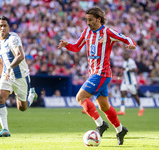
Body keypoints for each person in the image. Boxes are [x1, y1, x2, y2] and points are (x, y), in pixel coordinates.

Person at [58, 6, 136, 145]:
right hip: (94, 73)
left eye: (90, 20)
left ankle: (100, 124)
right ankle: (120, 130)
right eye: (86, 20)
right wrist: (67, 45)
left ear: (98, 19)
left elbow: (126, 38)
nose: (87, 23)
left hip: (102, 73)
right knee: (104, 107)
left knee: (80, 97)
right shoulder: (87, 32)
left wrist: (131, 45)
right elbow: (76, 47)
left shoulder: (107, 32)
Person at [0, 16, 38, 137]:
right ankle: (5, 129)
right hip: (6, 76)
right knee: (0, 98)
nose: (3, 28)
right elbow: (1, 62)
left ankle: (31, 95)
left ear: (8, 27)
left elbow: (20, 55)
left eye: (5, 25)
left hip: (20, 76)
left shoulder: (13, 38)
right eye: (0, 26)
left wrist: (9, 68)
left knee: (22, 108)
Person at [117, 51, 144, 116]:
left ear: (128, 55)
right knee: (123, 93)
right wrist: (120, 75)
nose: (124, 56)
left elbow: (135, 70)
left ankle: (141, 108)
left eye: (125, 55)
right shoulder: (124, 62)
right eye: (123, 55)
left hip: (131, 82)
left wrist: (126, 69)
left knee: (134, 95)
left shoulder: (131, 61)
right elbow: (124, 70)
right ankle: (122, 110)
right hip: (125, 81)